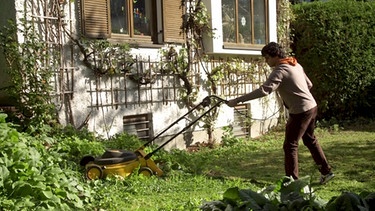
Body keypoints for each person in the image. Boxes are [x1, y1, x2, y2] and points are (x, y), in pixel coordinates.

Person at [227, 42, 334, 184]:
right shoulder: (295, 64)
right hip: (312, 106)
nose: (266, 61)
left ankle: (292, 181)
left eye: (267, 58)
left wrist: (238, 100)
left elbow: (264, 90)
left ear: (275, 56)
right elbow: (309, 85)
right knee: (309, 139)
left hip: (301, 111)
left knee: (290, 145)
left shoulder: (280, 70)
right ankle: (326, 172)